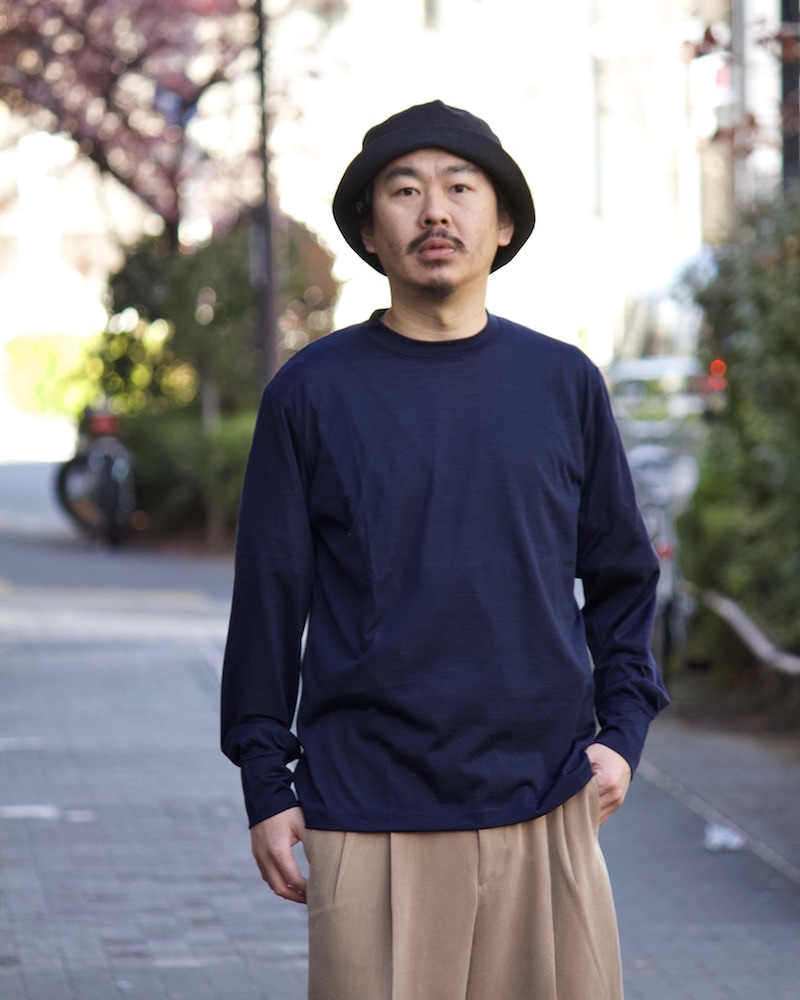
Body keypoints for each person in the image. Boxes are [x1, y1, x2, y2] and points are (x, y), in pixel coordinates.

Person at [221, 100, 669, 1000]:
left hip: (550, 805)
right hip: (367, 811)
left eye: (461, 189)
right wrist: (267, 783)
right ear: (368, 230)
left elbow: (623, 577)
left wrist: (622, 735)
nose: (435, 211)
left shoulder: (564, 384)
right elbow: (269, 601)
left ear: (502, 225)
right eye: (406, 191)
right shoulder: (310, 395)